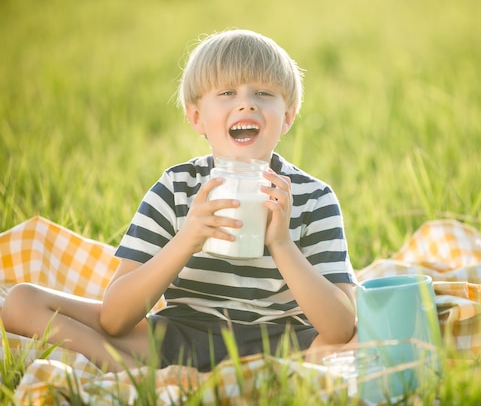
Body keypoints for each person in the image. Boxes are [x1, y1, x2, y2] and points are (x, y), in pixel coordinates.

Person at [1, 29, 357, 372]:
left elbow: (341, 326)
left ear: (288, 116)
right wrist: (188, 237)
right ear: (196, 117)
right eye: (228, 92)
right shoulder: (176, 188)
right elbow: (114, 318)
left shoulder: (313, 198)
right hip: (182, 339)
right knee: (21, 302)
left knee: (371, 333)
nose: (246, 102)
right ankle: (126, 370)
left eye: (264, 93)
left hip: (286, 342)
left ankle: (264, 374)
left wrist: (280, 243)